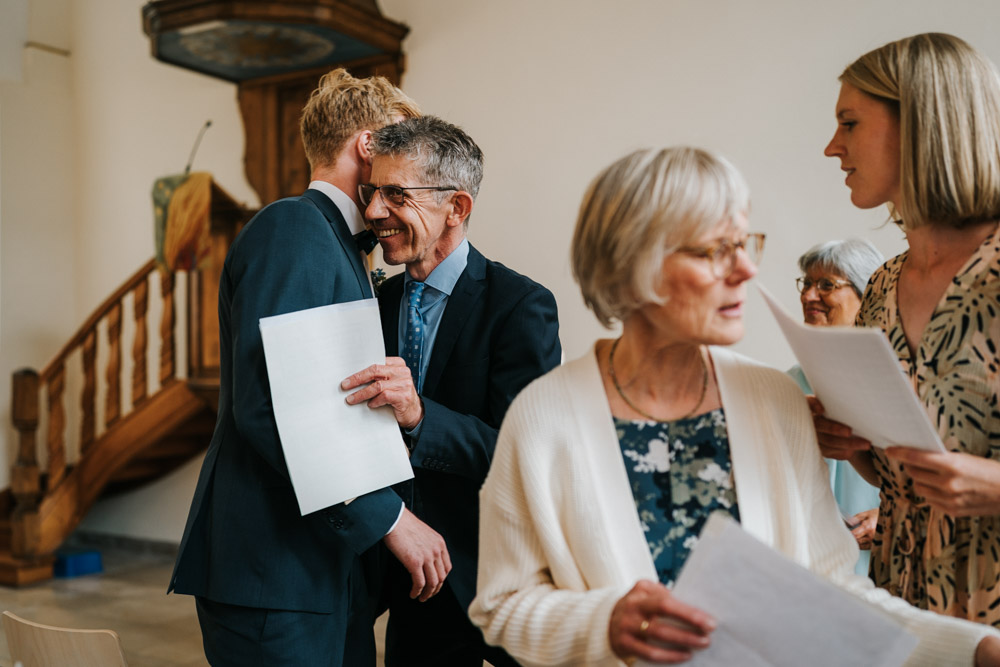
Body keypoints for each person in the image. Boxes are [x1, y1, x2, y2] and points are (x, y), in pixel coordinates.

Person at [467, 146, 1000, 666]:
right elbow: (502, 607)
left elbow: (831, 596)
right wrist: (604, 623)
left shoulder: (775, 400)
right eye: (714, 250)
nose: (746, 270)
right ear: (632, 264)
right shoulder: (543, 417)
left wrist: (974, 649)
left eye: (746, 244)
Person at [168, 69, 450, 667]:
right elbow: (271, 408)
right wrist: (392, 520)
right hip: (275, 574)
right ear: (368, 145)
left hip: (314, 569)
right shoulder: (294, 228)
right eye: (400, 146)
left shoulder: (334, 242)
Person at [341, 116, 561, 666]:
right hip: (404, 580)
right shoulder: (376, 302)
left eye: (396, 194)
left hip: (488, 573)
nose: (372, 213)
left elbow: (520, 454)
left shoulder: (521, 306)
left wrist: (419, 416)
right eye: (372, 193)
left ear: (456, 208)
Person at [818, 32, 1000, 626]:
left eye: (850, 123)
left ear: (922, 124)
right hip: (901, 614)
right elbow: (890, 476)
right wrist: (853, 444)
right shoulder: (881, 286)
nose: (831, 147)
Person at [788, 238, 884, 576]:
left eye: (826, 285)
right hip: (806, 567)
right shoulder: (789, 384)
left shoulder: (894, 379)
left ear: (867, 294)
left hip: (873, 569)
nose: (808, 296)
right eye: (807, 283)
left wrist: (888, 517)